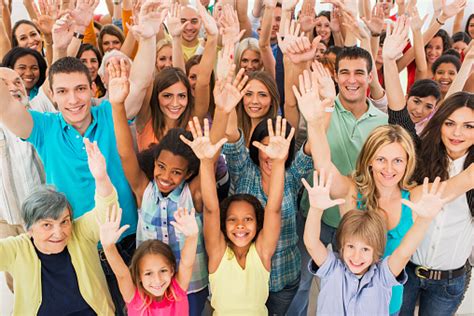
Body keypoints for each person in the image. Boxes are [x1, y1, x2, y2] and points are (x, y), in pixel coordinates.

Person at [0, 56, 138, 315]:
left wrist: (150, 35)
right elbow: (5, 108)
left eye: (80, 89)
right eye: (62, 91)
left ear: (92, 89)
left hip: (127, 238)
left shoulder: (111, 111)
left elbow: (140, 86)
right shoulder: (44, 127)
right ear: (51, 94)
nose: (73, 100)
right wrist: (5, 74)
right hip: (80, 246)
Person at [108, 59, 209, 316]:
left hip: (190, 282)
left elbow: (208, 160)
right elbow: (125, 153)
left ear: (188, 173)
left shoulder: (192, 193)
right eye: (161, 167)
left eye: (176, 172)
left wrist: (208, 153)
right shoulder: (145, 190)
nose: (166, 176)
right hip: (148, 284)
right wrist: (117, 105)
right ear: (153, 162)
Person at [303, 169, 451, 315]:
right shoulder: (332, 267)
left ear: (377, 250)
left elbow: (403, 253)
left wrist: (424, 219)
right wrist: (315, 209)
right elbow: (311, 243)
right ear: (341, 246)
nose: (356, 256)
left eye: (365, 249)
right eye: (350, 246)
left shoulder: (382, 276)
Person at [181, 116, 288, 315]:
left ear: (258, 224)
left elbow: (273, 208)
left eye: (248, 219)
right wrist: (205, 163)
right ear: (223, 224)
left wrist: (279, 163)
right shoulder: (218, 252)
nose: (240, 225)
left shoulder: (262, 252)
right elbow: (211, 209)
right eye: (232, 220)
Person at [0, 138, 117, 315]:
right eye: (47, 225)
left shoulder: (80, 232)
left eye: (64, 221)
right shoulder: (18, 248)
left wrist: (101, 178)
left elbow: (107, 212)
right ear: (30, 229)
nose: (59, 232)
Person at [399, 92, 474, 316]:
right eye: (450, 123)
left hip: (449, 281)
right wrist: (466, 180)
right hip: (406, 272)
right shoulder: (419, 156)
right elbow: (409, 200)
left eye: (468, 126)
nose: (457, 133)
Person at [99, 206, 199, 316]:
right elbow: (122, 275)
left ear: (171, 269)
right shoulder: (134, 298)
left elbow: (187, 264)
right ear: (139, 276)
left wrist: (192, 237)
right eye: (148, 273)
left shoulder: (177, 291)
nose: (157, 280)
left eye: (163, 271)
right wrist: (108, 247)